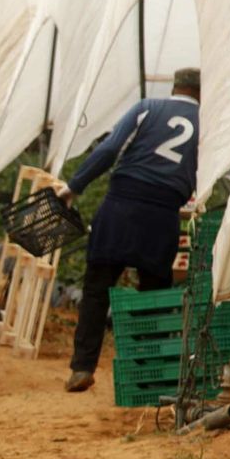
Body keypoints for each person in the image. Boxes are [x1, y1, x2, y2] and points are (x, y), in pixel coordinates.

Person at [57, 67, 202, 393]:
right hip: (163, 215)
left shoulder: (147, 108)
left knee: (96, 288)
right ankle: (148, 373)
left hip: (121, 206)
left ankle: (82, 367)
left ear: (175, 86)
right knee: (154, 295)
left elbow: (109, 149)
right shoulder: (206, 123)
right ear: (201, 93)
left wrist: (74, 187)